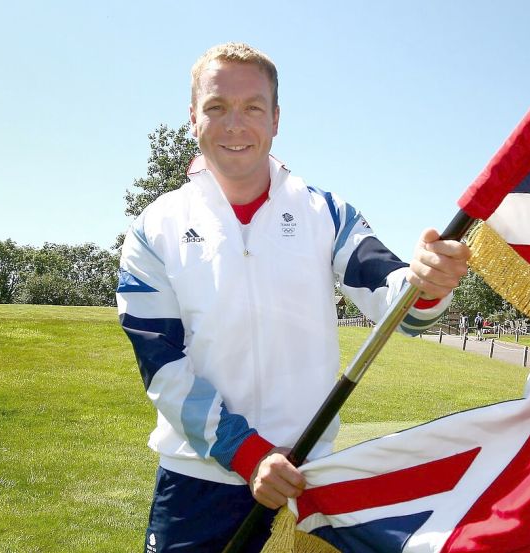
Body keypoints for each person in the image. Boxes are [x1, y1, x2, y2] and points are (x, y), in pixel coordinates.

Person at [116, 43, 470, 552]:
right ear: (193, 119)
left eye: (253, 107)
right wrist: (247, 453)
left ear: (276, 119)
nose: (235, 124)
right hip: (197, 483)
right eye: (217, 107)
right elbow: (163, 365)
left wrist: (427, 281)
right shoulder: (154, 228)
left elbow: (399, 303)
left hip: (307, 478)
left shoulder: (325, 212)